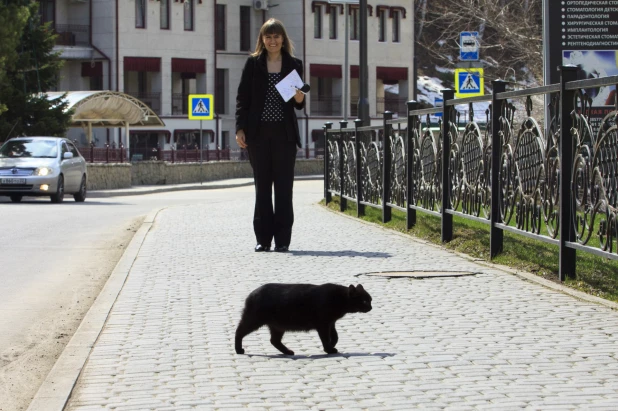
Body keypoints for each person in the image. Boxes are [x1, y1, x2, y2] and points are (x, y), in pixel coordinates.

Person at [235, 18, 305, 253]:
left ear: (283, 39)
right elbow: (242, 99)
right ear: (262, 40)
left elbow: (298, 104)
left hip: (284, 135)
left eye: (276, 36)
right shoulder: (253, 64)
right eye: (268, 36)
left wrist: (299, 98)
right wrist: (240, 128)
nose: (272, 41)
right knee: (262, 188)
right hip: (258, 134)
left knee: (284, 188)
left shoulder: (294, 64)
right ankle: (263, 239)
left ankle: (283, 240)